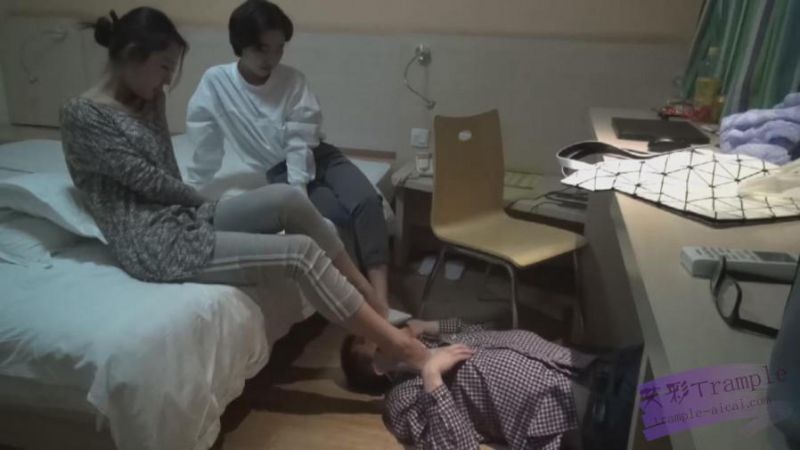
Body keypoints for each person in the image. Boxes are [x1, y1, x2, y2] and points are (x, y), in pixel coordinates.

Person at [59, 7, 428, 372]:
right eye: (165, 67)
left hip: (185, 215)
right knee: (299, 252)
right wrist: (205, 199)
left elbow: (167, 171)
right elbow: (151, 182)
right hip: (154, 242)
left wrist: (202, 204)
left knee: (289, 199)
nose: (169, 80)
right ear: (131, 56)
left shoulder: (149, 98)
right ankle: (401, 346)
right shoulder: (82, 116)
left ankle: (372, 298)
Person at [185, 0, 393, 312]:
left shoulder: (292, 80)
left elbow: (300, 142)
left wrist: (298, 193)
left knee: (366, 201)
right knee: (341, 214)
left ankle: (382, 300)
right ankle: (365, 299)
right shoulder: (216, 82)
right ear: (240, 43)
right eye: (262, 48)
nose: (271, 58)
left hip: (320, 154)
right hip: (279, 170)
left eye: (279, 48)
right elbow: (205, 138)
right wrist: (192, 186)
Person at [341, 318, 641, 450]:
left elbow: (476, 327)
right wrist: (432, 376)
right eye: (375, 341)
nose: (388, 333)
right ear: (378, 369)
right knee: (671, 406)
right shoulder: (401, 398)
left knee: (667, 352)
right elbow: (456, 446)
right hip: (594, 413)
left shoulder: (430, 342)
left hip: (596, 364)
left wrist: (428, 326)